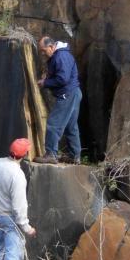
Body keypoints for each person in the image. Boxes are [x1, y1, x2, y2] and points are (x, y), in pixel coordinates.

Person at [0, 138, 37, 260]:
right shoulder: (17, 175)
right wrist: (27, 228)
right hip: (11, 220)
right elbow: (19, 206)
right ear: (24, 155)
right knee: (12, 257)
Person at [34, 36, 82, 165]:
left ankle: (51, 154)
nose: (43, 54)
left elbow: (63, 79)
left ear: (51, 46)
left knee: (53, 123)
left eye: (43, 50)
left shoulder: (61, 56)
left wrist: (45, 82)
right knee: (71, 126)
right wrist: (48, 76)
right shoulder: (59, 55)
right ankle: (74, 156)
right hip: (73, 93)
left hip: (68, 94)